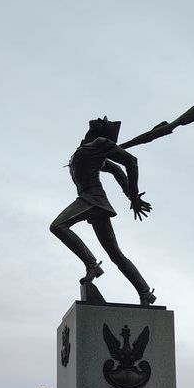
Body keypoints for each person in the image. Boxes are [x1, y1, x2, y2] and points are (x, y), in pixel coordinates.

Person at [49, 116, 159, 305]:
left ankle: (92, 264)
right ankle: (145, 292)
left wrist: (132, 195)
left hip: (92, 200)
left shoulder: (99, 144)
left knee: (58, 226)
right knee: (115, 253)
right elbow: (116, 169)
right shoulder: (90, 149)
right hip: (94, 202)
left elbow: (130, 162)